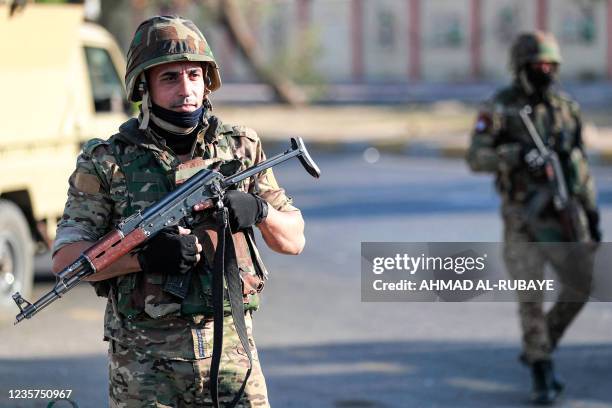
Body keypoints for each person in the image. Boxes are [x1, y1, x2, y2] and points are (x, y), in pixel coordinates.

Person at [51, 15, 305, 407]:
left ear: (207, 81)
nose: (186, 89)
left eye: (194, 75)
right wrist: (145, 258)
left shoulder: (240, 146)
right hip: (144, 371)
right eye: (170, 77)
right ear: (145, 86)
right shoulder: (107, 161)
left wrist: (258, 210)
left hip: (233, 359)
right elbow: (67, 261)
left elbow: (294, 240)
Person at [466, 31, 601, 405]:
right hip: (521, 217)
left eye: (550, 65)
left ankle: (540, 344)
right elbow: (475, 158)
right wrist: (513, 156)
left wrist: (591, 212)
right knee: (531, 297)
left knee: (582, 284)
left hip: (562, 214)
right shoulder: (500, 107)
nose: (544, 71)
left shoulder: (565, 108)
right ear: (521, 67)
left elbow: (579, 165)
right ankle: (542, 371)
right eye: (537, 65)